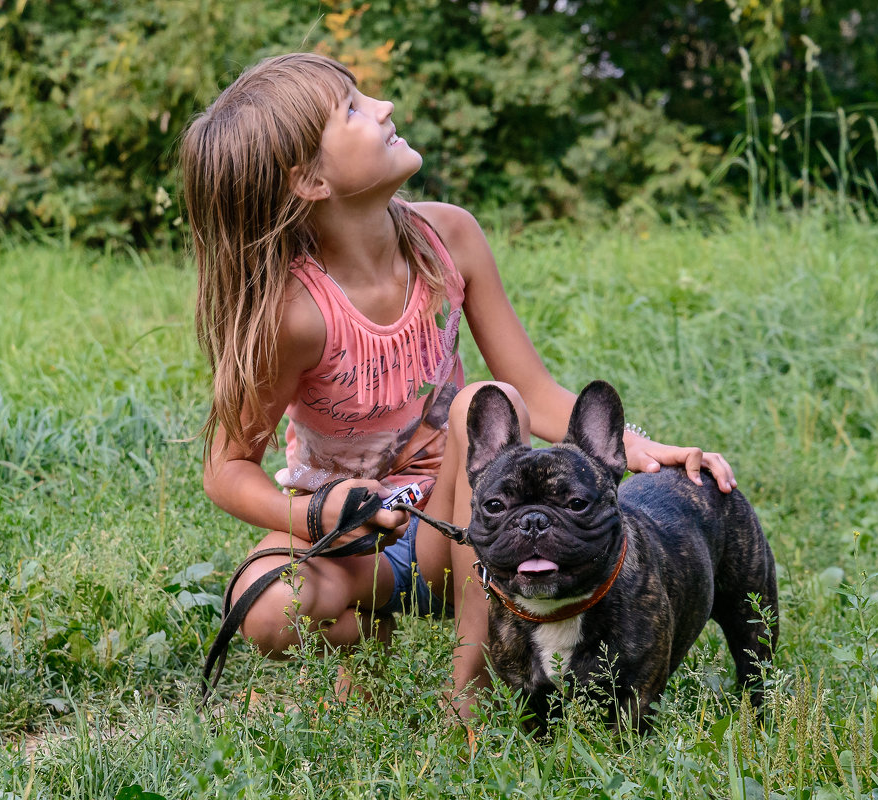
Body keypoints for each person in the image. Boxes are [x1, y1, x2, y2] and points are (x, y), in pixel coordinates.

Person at [180, 52, 737, 719]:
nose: (382, 107)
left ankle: (468, 684)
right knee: (270, 607)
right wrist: (312, 514)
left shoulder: (450, 237)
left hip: (462, 530)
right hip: (353, 535)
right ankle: (364, 654)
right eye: (353, 110)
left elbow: (532, 386)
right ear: (310, 181)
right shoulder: (294, 314)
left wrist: (647, 449)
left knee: (482, 403)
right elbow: (226, 469)